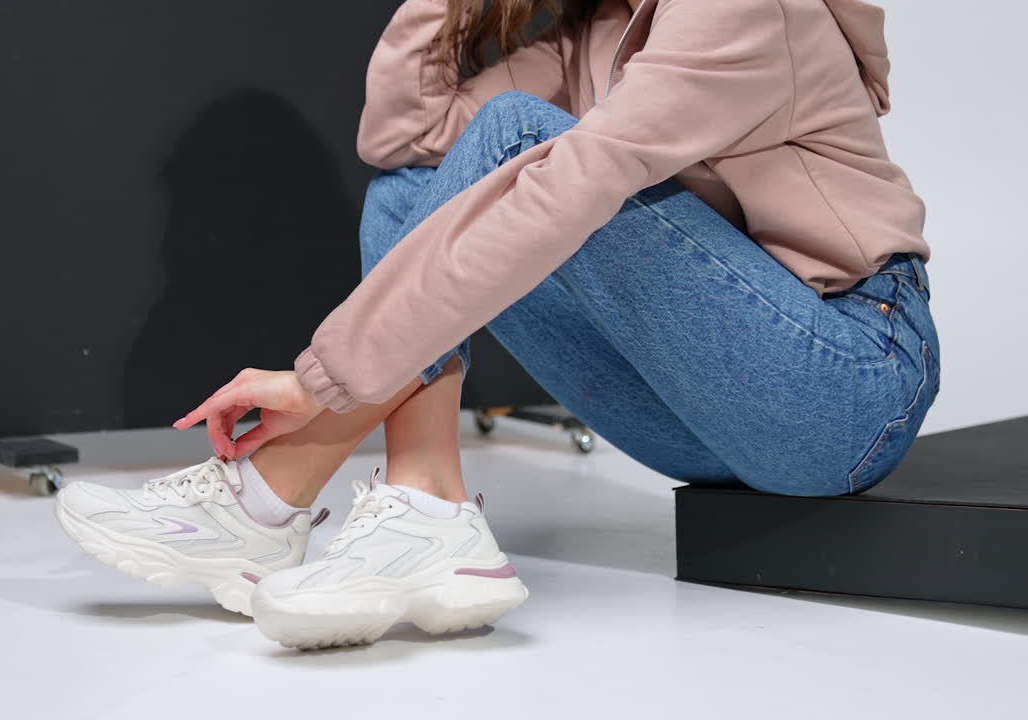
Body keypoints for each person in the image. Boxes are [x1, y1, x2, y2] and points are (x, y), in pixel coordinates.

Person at [55, 0, 939, 650]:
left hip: (844, 385)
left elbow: (577, 173)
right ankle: (427, 502)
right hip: (706, 410)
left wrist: (318, 382)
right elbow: (409, 134)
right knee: (413, 192)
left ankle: (271, 491)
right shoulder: (600, 28)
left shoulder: (746, 8)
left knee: (525, 144)